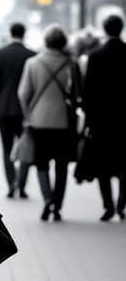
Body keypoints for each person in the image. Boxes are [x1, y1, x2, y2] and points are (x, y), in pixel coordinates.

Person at [17, 25, 81, 222]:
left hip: (39, 121)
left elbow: (23, 94)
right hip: (63, 122)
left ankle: (46, 200)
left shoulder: (32, 63)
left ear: (46, 41)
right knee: (61, 166)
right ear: (63, 42)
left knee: (41, 164)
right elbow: (77, 94)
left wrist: (28, 116)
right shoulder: (71, 64)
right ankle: (57, 205)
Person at [82, 14, 126, 221]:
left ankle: (108, 206)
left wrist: (88, 119)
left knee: (103, 166)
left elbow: (88, 90)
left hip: (101, 120)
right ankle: (121, 204)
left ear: (105, 30)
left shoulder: (95, 55)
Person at [0, 22, 34, 199]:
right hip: (25, 110)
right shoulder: (32, 55)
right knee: (26, 147)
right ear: (24, 34)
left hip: (3, 109)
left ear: (10, 33)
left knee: (7, 148)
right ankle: (22, 185)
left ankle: (11, 183)